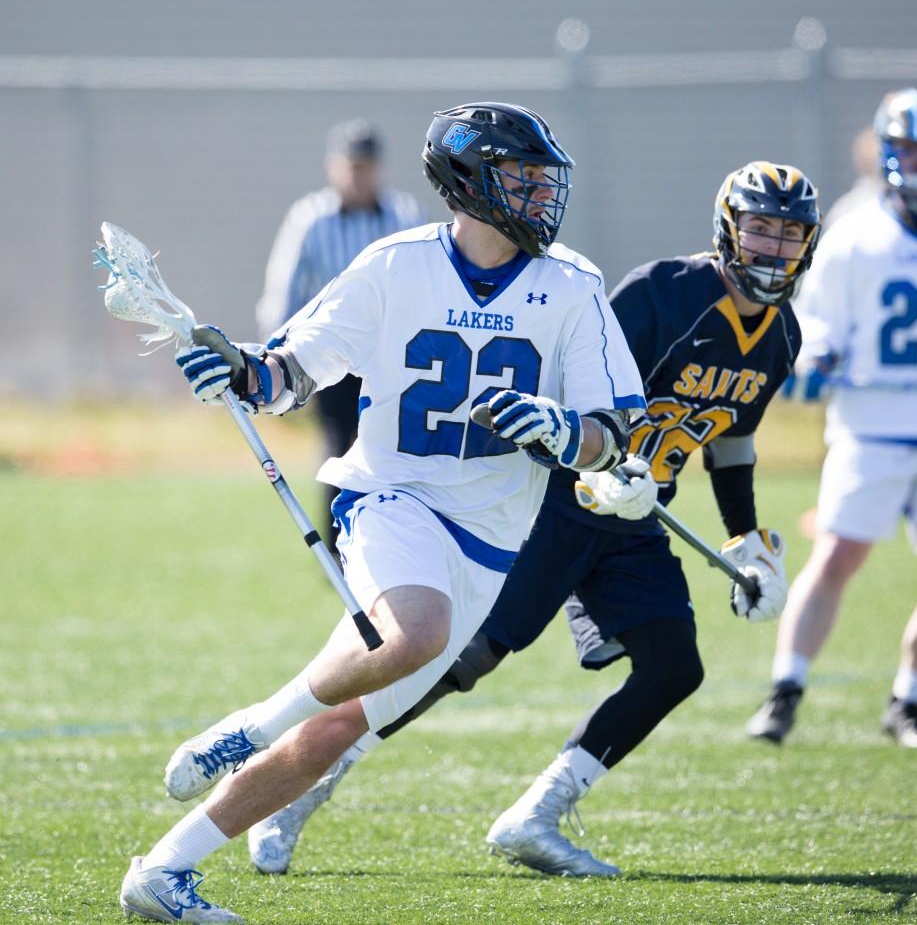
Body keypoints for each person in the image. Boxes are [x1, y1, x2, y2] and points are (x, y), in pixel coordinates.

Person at [118, 101, 646, 923]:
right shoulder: (395, 266)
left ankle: (161, 872)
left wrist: (559, 428)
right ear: (468, 183)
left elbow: (614, 432)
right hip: (391, 499)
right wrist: (237, 369)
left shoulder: (571, 286)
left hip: (492, 542)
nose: (541, 197)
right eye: (520, 179)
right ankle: (252, 724)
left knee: (329, 737)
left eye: (545, 182)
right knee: (416, 635)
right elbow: (290, 373)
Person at [246, 162, 822, 879]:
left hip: (633, 517)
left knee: (674, 665)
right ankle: (295, 790)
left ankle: (536, 814)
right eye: (760, 228)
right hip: (550, 503)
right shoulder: (666, 295)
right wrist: (601, 462)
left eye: (788, 233)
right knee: (456, 662)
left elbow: (731, 436)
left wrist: (744, 537)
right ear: (728, 229)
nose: (772, 247)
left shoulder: (781, 334)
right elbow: (576, 388)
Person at [748, 88, 917, 749]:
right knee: (837, 556)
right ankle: (785, 690)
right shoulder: (853, 228)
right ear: (885, 151)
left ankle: (907, 700)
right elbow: (814, 318)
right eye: (908, 147)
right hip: (872, 425)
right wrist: (818, 352)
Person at [256, 118, 426, 549]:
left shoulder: (403, 214)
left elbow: (420, 283)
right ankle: (335, 543)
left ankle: (385, 538)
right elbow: (286, 291)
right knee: (337, 443)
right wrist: (279, 362)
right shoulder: (311, 218)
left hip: (387, 354)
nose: (358, 175)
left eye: (366, 166)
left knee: (388, 446)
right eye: (351, 166)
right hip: (329, 352)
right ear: (334, 167)